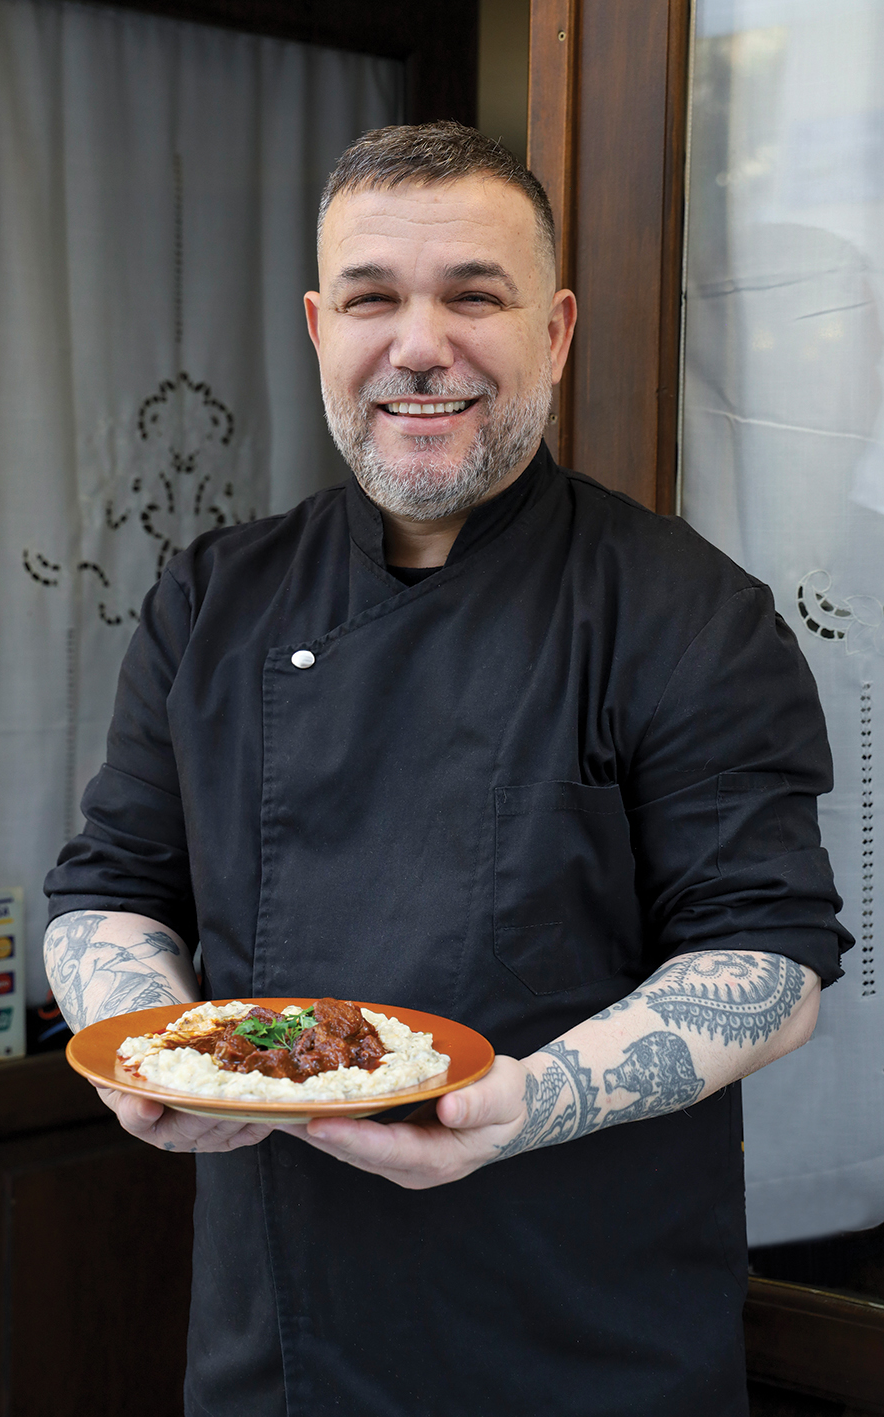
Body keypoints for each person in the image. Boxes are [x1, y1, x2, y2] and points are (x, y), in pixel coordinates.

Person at [43, 123, 851, 1417]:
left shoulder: (683, 613)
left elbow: (764, 961)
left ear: (556, 332)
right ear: (320, 330)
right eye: (372, 299)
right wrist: (148, 1049)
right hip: (277, 1355)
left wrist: (525, 1102)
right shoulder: (211, 599)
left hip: (587, 1346)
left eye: (474, 295)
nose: (419, 345)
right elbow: (109, 891)